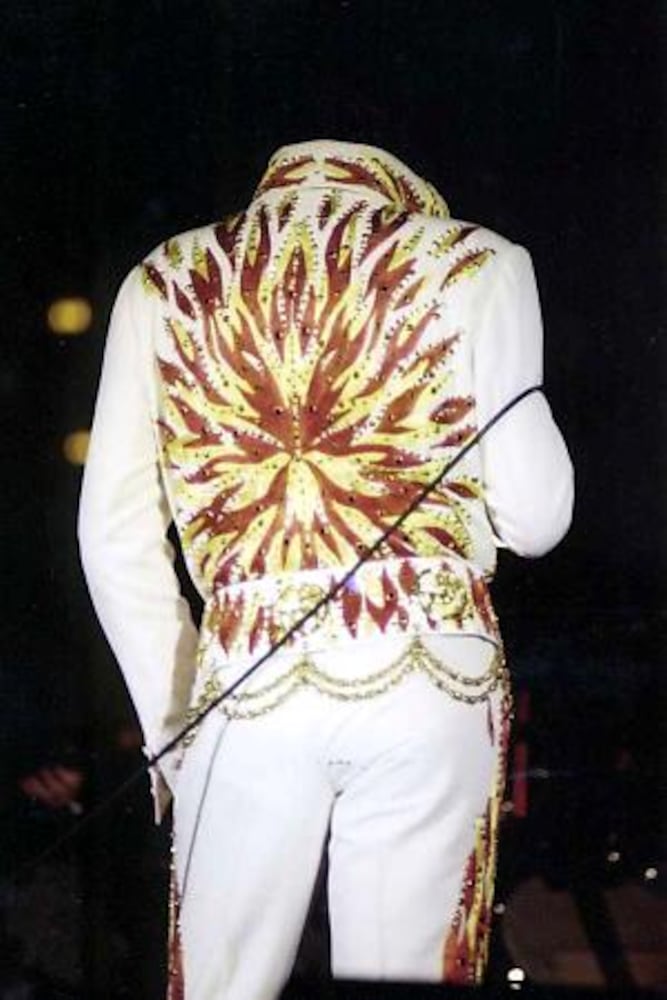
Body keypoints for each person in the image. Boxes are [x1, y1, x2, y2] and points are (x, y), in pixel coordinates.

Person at [78, 139, 573, 999]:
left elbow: (112, 534)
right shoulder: (477, 261)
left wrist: (174, 727)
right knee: (400, 976)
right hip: (427, 665)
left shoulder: (160, 279)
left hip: (246, 677)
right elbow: (536, 521)